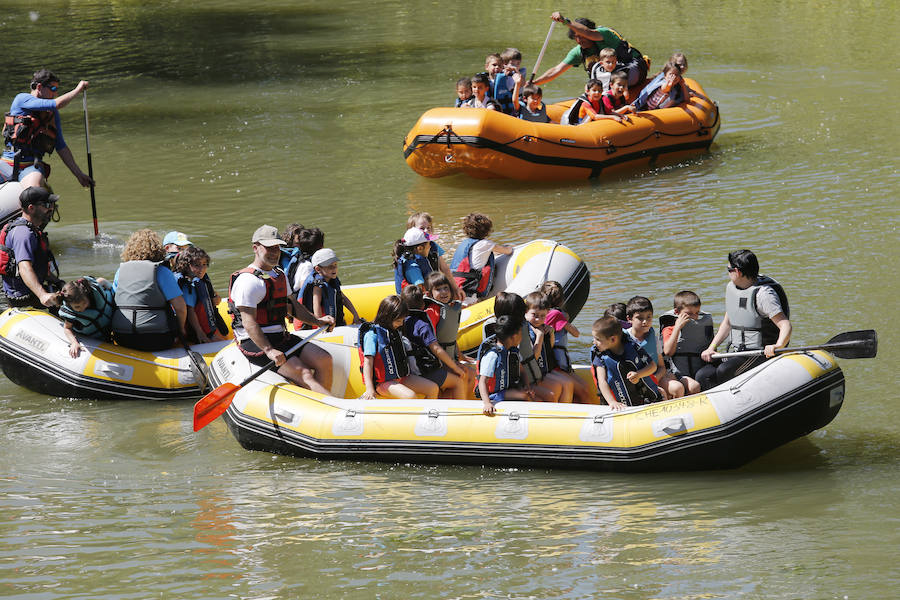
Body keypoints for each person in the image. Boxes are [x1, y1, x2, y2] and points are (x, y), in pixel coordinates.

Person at [228, 225, 334, 393]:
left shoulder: (278, 274)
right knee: (304, 373)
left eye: (276, 247)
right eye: (269, 247)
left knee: (324, 359)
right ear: (255, 248)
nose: (274, 252)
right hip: (254, 342)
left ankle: (326, 403)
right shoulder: (248, 281)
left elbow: (294, 307)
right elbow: (249, 322)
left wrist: (318, 321)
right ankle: (332, 409)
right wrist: (269, 351)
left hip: (280, 336)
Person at [700, 250, 792, 383]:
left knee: (723, 371)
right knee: (703, 374)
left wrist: (778, 345)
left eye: (728, 269)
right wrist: (711, 347)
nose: (727, 273)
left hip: (759, 353)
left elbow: (785, 324)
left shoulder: (764, 295)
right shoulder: (734, 289)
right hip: (738, 351)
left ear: (737, 272)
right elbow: (727, 323)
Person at [0, 69, 93, 190]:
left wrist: (79, 174)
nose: (55, 93)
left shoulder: (52, 114)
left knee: (34, 192)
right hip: (8, 161)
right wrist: (78, 89)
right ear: (39, 87)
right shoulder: (22, 99)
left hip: (31, 166)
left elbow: (61, 147)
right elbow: (57, 104)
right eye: (52, 89)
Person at [110, 229, 187, 351]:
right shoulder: (162, 271)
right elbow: (180, 308)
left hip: (122, 336)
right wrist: (181, 329)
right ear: (158, 249)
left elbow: (114, 300)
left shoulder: (120, 271)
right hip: (156, 338)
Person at [534, 13, 647, 88]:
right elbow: (556, 70)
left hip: (634, 70)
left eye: (581, 36)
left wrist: (564, 21)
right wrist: (534, 83)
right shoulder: (578, 51)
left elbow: (588, 32)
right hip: (611, 83)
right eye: (576, 37)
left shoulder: (604, 34)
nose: (579, 40)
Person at [359, 294, 438, 400]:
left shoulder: (394, 331)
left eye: (402, 320)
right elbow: (367, 363)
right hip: (383, 383)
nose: (401, 324)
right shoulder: (372, 335)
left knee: (433, 388)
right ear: (387, 316)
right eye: (398, 321)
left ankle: (429, 415)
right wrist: (369, 389)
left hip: (402, 377)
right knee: (410, 396)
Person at [0, 187, 63, 309]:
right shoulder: (24, 234)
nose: (51, 208)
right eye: (46, 204)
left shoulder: (32, 229)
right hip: (21, 298)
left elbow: (39, 266)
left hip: (31, 291)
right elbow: (24, 267)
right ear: (31, 208)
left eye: (52, 204)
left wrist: (58, 282)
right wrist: (42, 295)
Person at [401, 285, 466, 398]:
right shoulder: (422, 325)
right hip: (424, 371)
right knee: (458, 382)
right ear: (423, 304)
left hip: (410, 371)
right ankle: (459, 414)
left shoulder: (400, 322)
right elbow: (436, 349)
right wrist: (456, 368)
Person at [590, 315, 662, 410]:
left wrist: (638, 374)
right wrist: (612, 402)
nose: (593, 342)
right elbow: (602, 381)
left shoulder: (633, 347)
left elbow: (652, 366)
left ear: (613, 339)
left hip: (642, 399)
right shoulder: (600, 355)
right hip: (617, 403)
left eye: (598, 339)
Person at [423, 271, 475, 391]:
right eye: (438, 289)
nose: (444, 292)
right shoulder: (432, 312)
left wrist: (460, 356)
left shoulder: (449, 308)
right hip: (439, 361)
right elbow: (433, 344)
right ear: (429, 294)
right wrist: (453, 365)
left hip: (450, 358)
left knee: (471, 373)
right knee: (466, 374)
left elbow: (449, 337)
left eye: (446, 288)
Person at [476, 314, 533, 416]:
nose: (521, 336)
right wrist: (487, 403)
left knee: (528, 394)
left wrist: (527, 386)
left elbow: (522, 371)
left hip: (508, 389)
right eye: (520, 333)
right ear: (514, 336)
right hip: (494, 395)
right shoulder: (492, 355)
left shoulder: (512, 352)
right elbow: (482, 381)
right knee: (524, 396)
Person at [624, 296, 680, 399]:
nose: (645, 321)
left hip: (654, 377)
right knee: (661, 392)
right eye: (640, 318)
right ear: (629, 319)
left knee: (677, 388)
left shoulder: (653, 339)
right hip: (634, 381)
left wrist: (654, 379)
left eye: (649, 317)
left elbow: (661, 367)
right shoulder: (623, 339)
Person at [659, 290, 714, 394]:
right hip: (678, 374)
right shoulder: (670, 328)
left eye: (697, 313)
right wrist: (677, 328)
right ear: (676, 312)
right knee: (694, 386)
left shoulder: (701, 325)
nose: (694, 317)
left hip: (700, 370)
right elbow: (668, 352)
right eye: (689, 314)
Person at [524, 291, 574, 403]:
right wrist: (539, 336)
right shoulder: (525, 329)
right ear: (526, 311)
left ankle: (565, 415)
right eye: (534, 315)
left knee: (568, 383)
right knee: (553, 392)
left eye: (542, 316)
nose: (538, 319)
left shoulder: (543, 327)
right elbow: (533, 357)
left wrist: (551, 333)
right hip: (530, 377)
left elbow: (549, 347)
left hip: (543, 372)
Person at [449, 212, 512, 300]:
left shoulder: (466, 243)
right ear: (486, 230)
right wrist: (510, 247)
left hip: (456, 284)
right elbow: (507, 251)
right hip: (469, 288)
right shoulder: (485, 244)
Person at [173, 245, 228, 344]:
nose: (202, 269)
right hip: (197, 331)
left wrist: (215, 299)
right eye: (197, 265)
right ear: (186, 265)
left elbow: (209, 300)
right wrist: (200, 332)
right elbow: (190, 311)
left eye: (204, 264)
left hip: (207, 326)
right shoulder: (188, 285)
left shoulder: (200, 281)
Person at [407, 211, 464, 300]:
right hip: (420, 296)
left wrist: (456, 288)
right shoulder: (411, 260)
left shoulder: (433, 246)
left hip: (435, 288)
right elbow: (418, 286)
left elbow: (445, 269)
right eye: (422, 228)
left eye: (429, 227)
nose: (426, 231)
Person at [299, 247, 360, 327]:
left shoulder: (332, 280)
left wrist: (355, 315)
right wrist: (320, 323)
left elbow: (343, 298)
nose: (334, 268)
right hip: (313, 326)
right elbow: (316, 305)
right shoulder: (317, 285)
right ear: (318, 269)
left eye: (335, 265)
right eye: (330, 266)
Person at [58, 276, 114, 357]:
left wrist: (110, 286)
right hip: (96, 338)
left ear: (87, 296)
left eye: (84, 303)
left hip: (110, 329)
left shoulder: (94, 294)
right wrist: (74, 342)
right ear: (70, 305)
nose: (82, 308)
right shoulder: (71, 314)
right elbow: (67, 328)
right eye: (77, 307)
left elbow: (101, 280)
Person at [561, 79, 629, 125]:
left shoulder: (600, 100)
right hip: (580, 125)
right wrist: (613, 117)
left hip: (593, 124)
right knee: (591, 116)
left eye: (599, 91)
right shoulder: (585, 104)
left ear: (602, 91)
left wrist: (620, 115)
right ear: (588, 92)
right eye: (594, 90)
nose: (597, 93)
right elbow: (595, 116)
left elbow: (608, 112)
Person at [393, 227, 432, 293]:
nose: (430, 246)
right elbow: (420, 291)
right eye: (429, 244)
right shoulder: (413, 268)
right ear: (420, 248)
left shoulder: (408, 259)